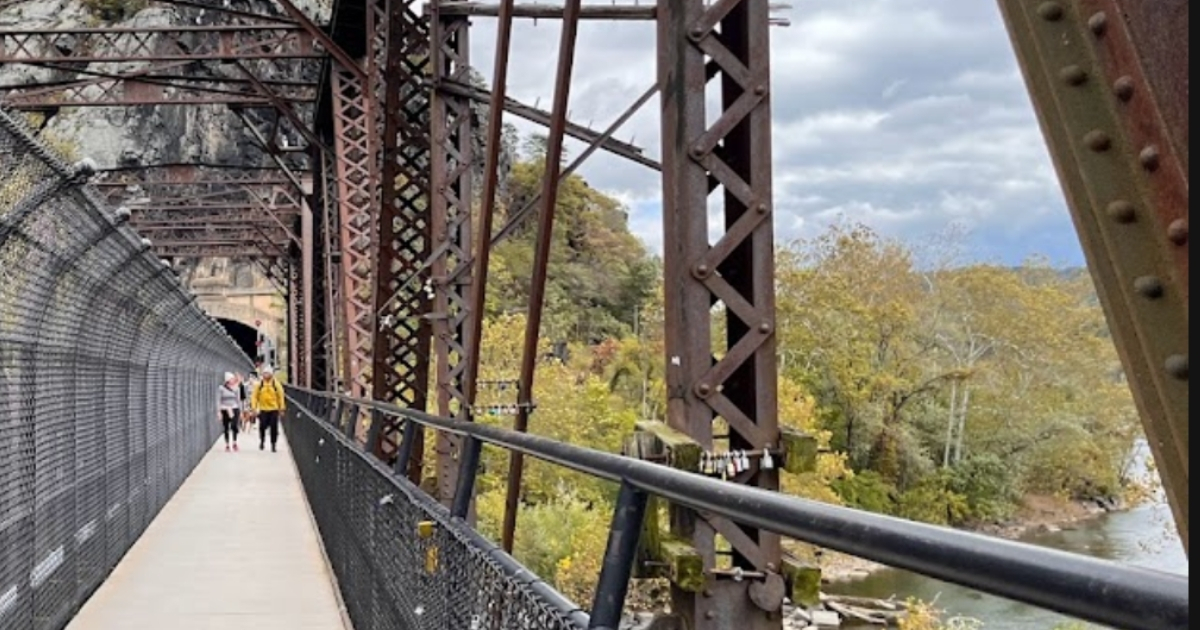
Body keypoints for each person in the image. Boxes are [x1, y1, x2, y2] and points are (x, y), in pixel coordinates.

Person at [251, 365, 286, 452]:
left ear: (271, 374)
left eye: (267, 373)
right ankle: (262, 441)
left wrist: (281, 408)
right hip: (263, 409)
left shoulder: (276, 384)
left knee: (274, 427)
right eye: (264, 373)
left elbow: (280, 396)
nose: (265, 375)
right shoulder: (260, 385)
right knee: (262, 426)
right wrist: (254, 407)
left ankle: (273, 444)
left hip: (274, 409)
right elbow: (254, 396)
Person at [218, 372, 241, 452]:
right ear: (227, 380)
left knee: (234, 425)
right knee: (226, 427)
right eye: (231, 378)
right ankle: (227, 444)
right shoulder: (221, 388)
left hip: (234, 408)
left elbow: (238, 399)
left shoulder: (236, 388)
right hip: (225, 408)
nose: (233, 380)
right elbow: (219, 399)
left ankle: (234, 442)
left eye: (233, 378)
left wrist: (240, 409)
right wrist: (219, 411)